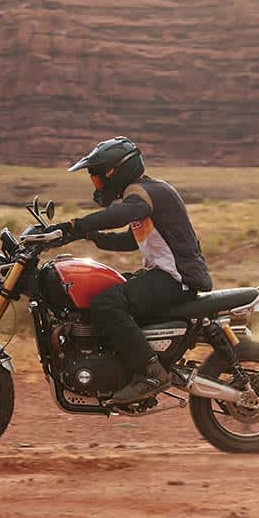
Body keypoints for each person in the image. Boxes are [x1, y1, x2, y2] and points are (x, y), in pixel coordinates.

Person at [53, 137, 212, 404]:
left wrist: (74, 226)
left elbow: (125, 213)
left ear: (115, 171)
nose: (98, 186)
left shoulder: (141, 192)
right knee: (107, 292)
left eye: (99, 178)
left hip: (176, 279)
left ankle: (150, 373)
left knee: (106, 303)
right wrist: (90, 236)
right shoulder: (147, 193)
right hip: (167, 276)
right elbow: (131, 239)